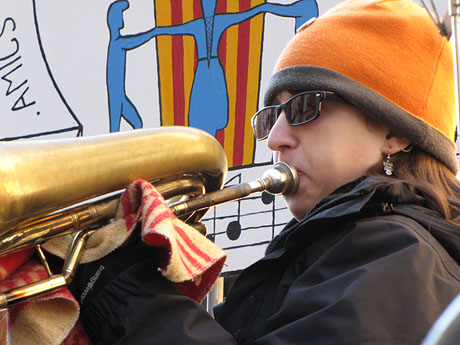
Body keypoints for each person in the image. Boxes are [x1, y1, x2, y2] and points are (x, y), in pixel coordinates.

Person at [69, 0, 460, 344]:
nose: (274, 139)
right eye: (272, 115)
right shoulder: (335, 250)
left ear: (393, 132)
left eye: (304, 107)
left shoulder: (399, 257)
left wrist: (119, 283)